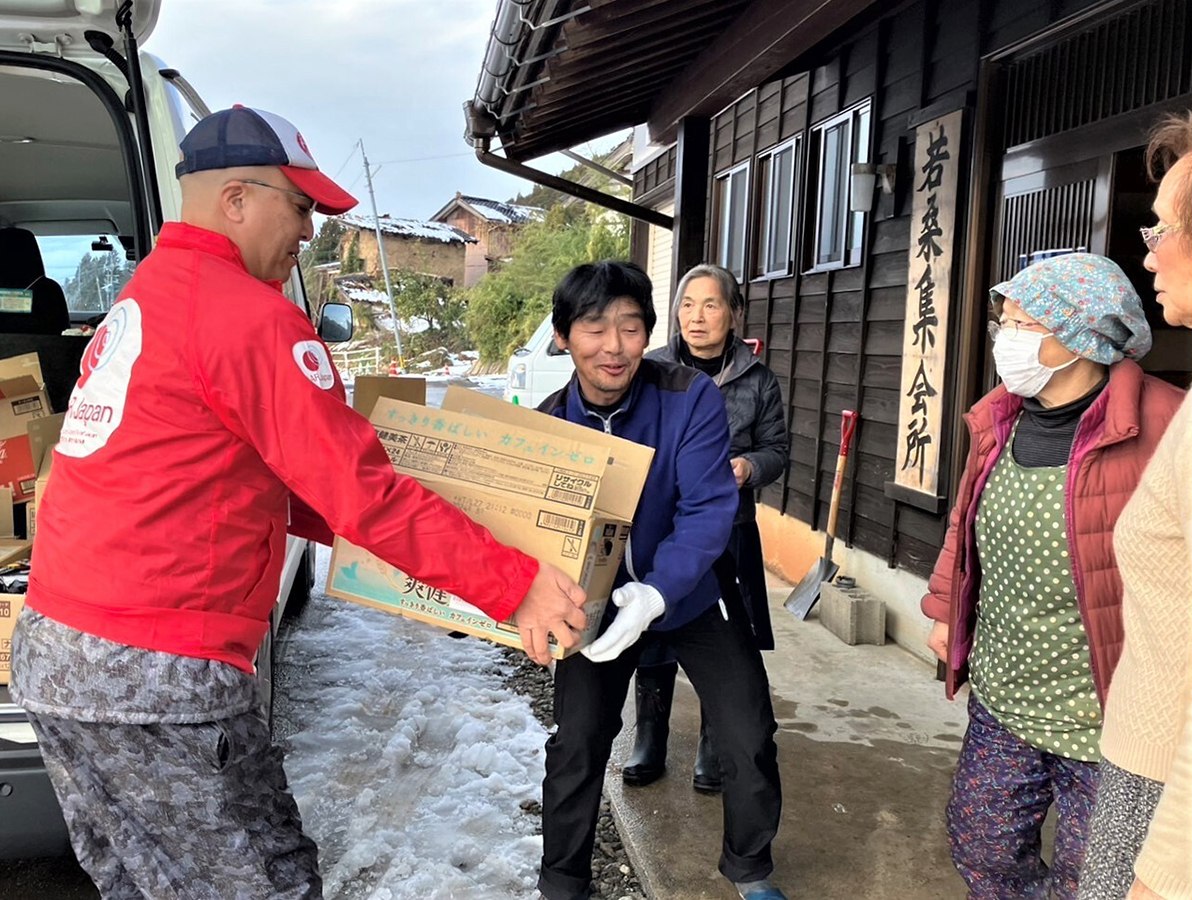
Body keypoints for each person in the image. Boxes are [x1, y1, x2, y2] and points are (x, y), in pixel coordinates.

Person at [9, 105, 587, 900]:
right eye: (303, 205)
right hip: (157, 676)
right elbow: (364, 495)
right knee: (266, 883)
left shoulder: (144, 299)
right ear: (237, 200)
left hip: (60, 659)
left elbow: (255, 479)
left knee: (146, 883)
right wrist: (512, 583)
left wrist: (435, 551)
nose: (312, 231)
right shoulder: (249, 318)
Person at [921, 251, 1184, 899]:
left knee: (1094, 877)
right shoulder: (1001, 418)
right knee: (981, 844)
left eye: (1021, 324)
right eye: (1002, 322)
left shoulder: (1168, 424)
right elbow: (966, 520)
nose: (1002, 339)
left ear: (1081, 336)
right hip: (1005, 693)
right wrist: (944, 609)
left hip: (1108, 716)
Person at [535, 261, 786, 900]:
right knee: (578, 743)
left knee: (747, 728)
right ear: (563, 336)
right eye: (594, 327)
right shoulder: (548, 424)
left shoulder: (687, 395)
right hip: (592, 610)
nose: (614, 346)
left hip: (692, 593)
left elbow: (707, 507)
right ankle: (562, 881)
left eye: (630, 326)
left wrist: (656, 592)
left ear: (648, 332)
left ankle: (750, 869)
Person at [1079, 112, 1192, 900]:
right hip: (1144, 745)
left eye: (1159, 230)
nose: (1146, 252)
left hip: (1169, 784)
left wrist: (1167, 872)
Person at [622, 263, 788, 793]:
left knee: (727, 640)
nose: (697, 316)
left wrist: (750, 468)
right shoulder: (651, 370)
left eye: (711, 304)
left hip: (730, 527)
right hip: (659, 527)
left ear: (734, 314)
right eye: (687, 304)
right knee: (653, 629)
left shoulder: (758, 380)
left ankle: (714, 744)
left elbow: (777, 450)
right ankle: (649, 734)